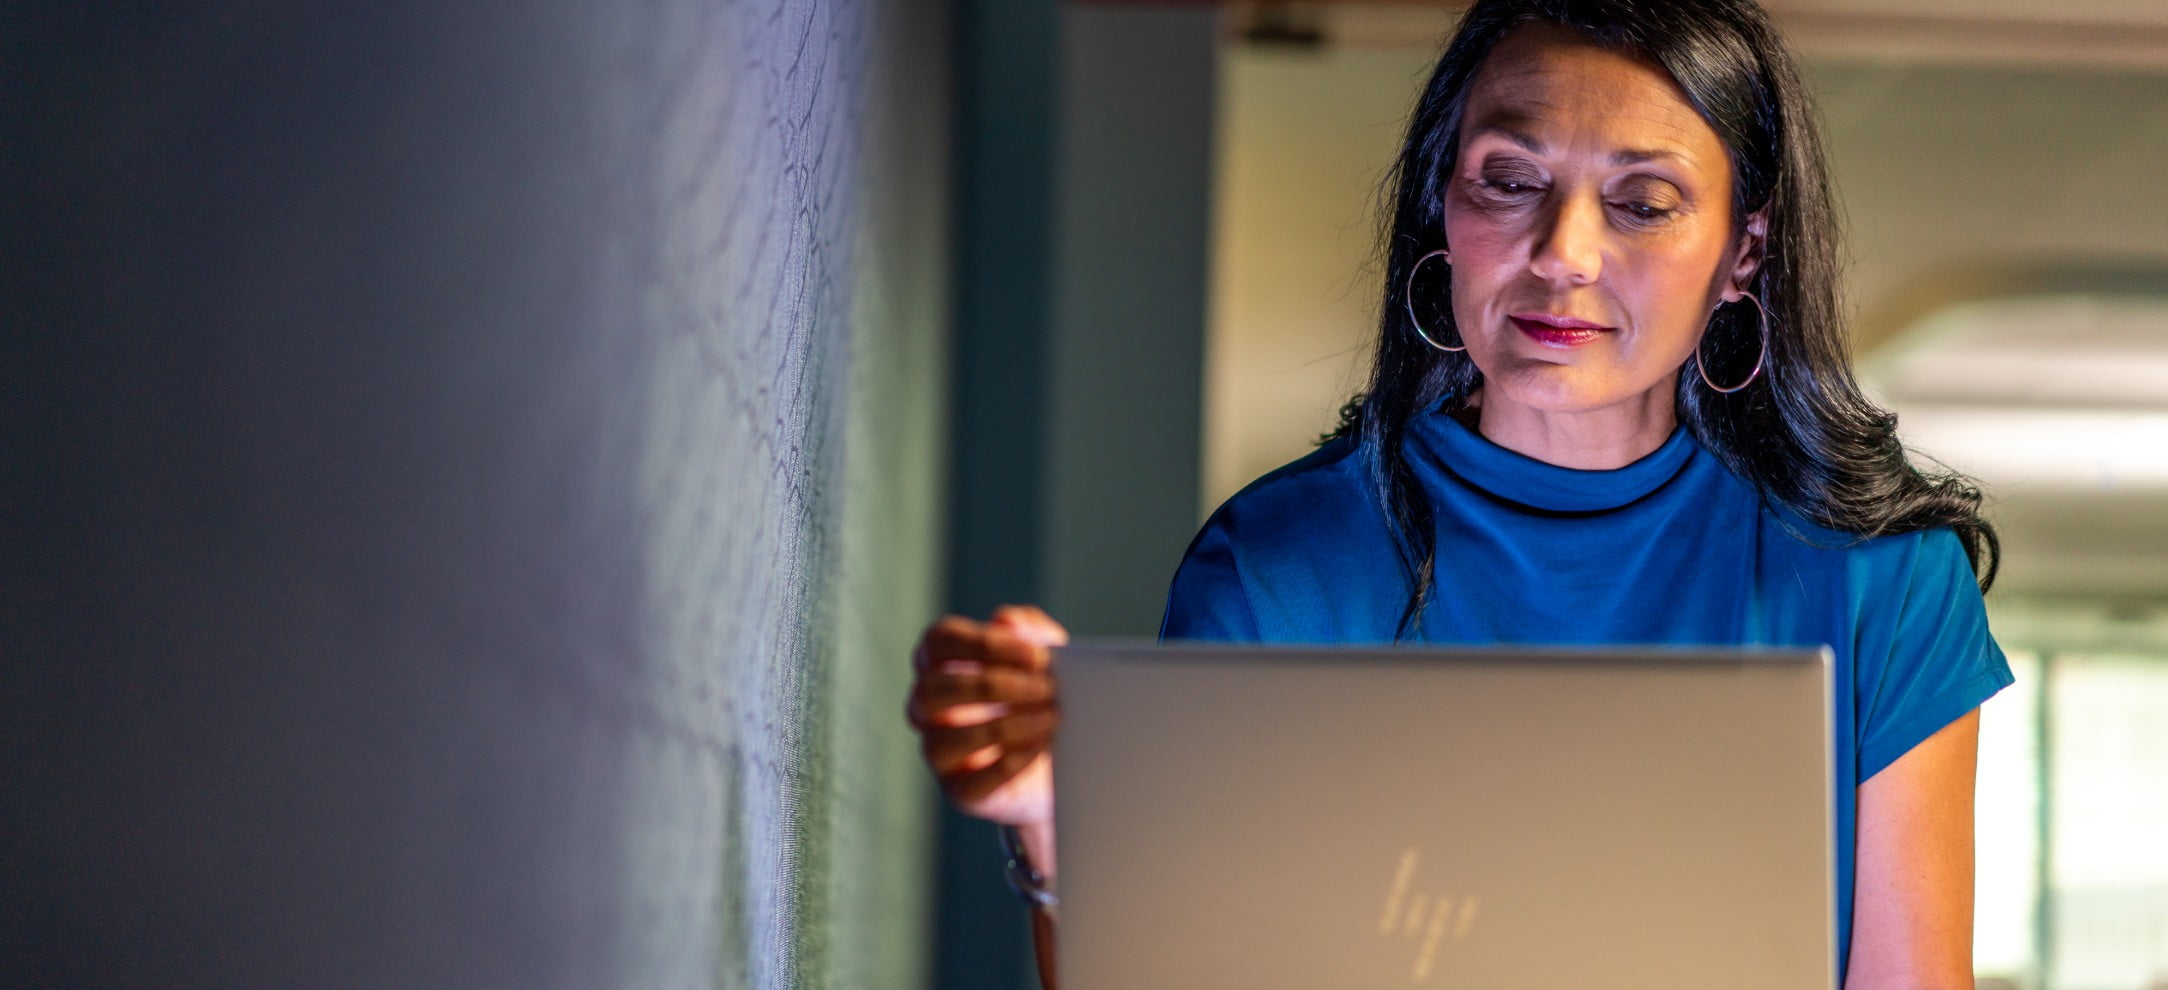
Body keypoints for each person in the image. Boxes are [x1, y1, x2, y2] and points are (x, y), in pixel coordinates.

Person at [906, 0, 2011, 986]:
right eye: (1510, 180)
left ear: (1742, 254)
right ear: (1444, 205)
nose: (1560, 253)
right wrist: (1061, 819)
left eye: (1642, 203)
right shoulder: (1276, 565)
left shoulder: (1882, 585)